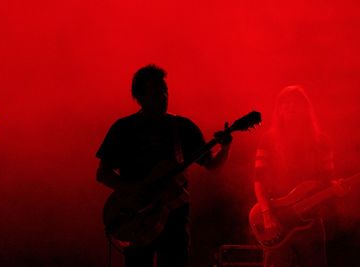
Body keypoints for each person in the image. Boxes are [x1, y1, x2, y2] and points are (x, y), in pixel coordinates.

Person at [96, 64, 232, 267]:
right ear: (140, 96)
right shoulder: (124, 128)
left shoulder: (183, 128)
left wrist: (225, 148)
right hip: (138, 218)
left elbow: (211, 164)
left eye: (165, 90)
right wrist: (134, 189)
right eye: (157, 92)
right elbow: (103, 174)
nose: (164, 96)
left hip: (174, 218)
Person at [253, 85, 339, 267]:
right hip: (277, 220)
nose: (290, 107)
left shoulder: (321, 142)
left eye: (295, 104)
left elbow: (328, 179)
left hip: (311, 222)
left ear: (305, 109)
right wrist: (266, 213)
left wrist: (336, 187)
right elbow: (258, 180)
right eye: (285, 104)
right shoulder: (268, 140)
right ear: (279, 110)